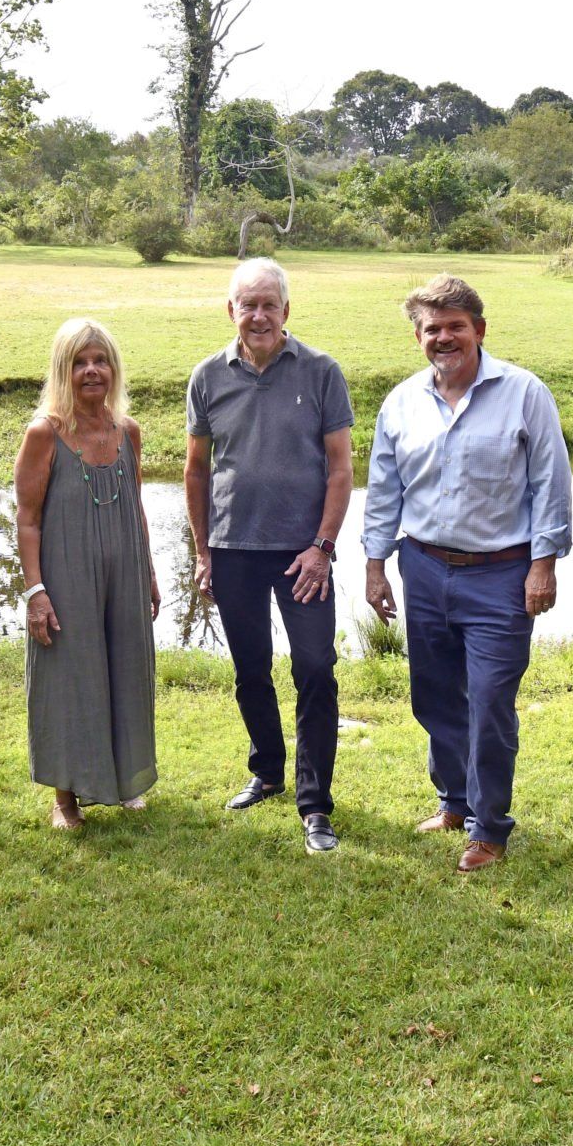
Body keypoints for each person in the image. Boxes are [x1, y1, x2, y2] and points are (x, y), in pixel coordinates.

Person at [361, 274, 573, 873]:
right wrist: (376, 566)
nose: (445, 337)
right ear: (419, 337)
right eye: (433, 329)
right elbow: (383, 491)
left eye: (456, 326)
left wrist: (543, 566)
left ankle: (489, 826)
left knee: (488, 702)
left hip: (501, 576)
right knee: (434, 697)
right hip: (423, 568)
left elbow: (550, 485)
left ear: (479, 330)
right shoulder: (401, 402)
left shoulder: (524, 392)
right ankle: (453, 801)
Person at [185, 258, 356, 854]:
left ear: (287, 310)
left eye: (269, 304)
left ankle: (315, 803)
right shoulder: (208, 376)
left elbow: (341, 468)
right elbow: (197, 469)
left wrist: (323, 547)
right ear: (230, 310)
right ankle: (267, 770)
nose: (258, 315)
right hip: (233, 549)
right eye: (247, 304)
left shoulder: (322, 371)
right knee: (250, 669)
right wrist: (203, 551)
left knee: (315, 671)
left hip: (304, 553)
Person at [16, 318, 159, 833]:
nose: (92, 370)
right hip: (65, 572)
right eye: (80, 361)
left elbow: (137, 508)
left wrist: (148, 573)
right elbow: (27, 520)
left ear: (114, 369)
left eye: (100, 360)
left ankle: (126, 784)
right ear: (63, 369)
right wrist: (35, 592)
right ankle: (65, 799)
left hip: (124, 568)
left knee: (125, 668)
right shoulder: (44, 434)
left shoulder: (128, 432)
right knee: (71, 677)